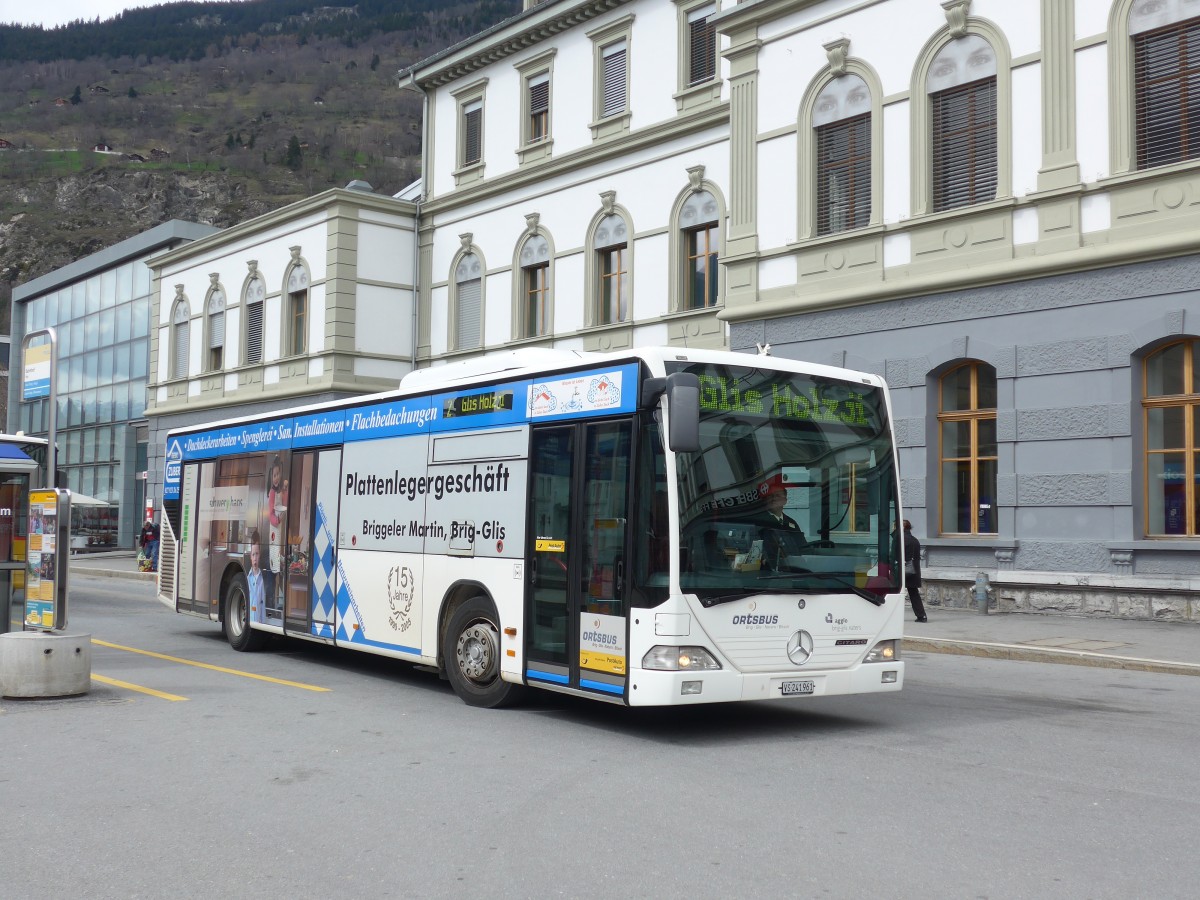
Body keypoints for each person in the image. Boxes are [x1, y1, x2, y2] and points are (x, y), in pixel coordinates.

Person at [757, 478, 806, 569]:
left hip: (792, 569)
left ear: (785, 500)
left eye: (778, 495)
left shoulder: (792, 523)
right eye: (770, 496)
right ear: (765, 500)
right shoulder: (758, 522)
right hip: (767, 573)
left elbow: (803, 547)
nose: (774, 499)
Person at [903, 519, 928, 622]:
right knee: (914, 593)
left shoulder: (902, 539)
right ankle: (921, 615)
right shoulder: (915, 540)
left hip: (904, 570)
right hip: (914, 571)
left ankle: (890, 615)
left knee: (893, 591)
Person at [246, 533, 266, 623]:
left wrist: (263, 623)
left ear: (260, 555)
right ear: (250, 556)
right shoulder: (247, 579)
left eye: (257, 554)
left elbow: (263, 604)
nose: (255, 558)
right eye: (253, 555)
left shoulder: (262, 579)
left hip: (258, 621)